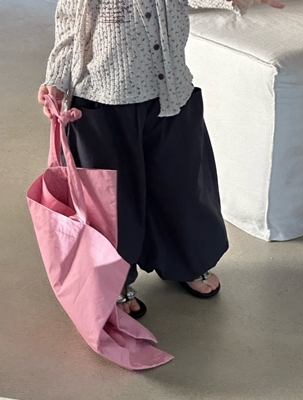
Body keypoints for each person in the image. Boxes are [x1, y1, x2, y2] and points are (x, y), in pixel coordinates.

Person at [38, 0, 284, 319]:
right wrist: (57, 79)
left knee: (182, 189)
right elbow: (70, 24)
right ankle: (115, 281)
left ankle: (188, 262)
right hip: (102, 101)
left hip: (171, 96)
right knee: (111, 205)